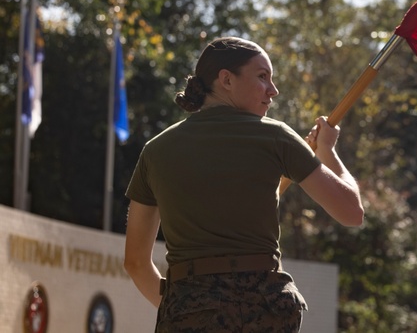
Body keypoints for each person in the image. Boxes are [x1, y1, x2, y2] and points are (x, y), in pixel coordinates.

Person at [123, 36, 364, 332]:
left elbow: (135, 262)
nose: (273, 91)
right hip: (266, 309)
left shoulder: (155, 151)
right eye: (262, 77)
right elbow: (352, 212)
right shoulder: (276, 137)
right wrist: (328, 151)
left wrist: (184, 307)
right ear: (226, 79)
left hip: (188, 309)